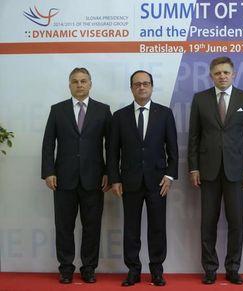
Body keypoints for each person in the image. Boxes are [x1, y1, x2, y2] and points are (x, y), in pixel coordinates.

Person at [188, 56, 243, 285]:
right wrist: (193, 168)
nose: (222, 76)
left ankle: (233, 268)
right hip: (208, 171)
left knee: (236, 222)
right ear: (211, 75)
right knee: (208, 222)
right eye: (217, 73)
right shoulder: (200, 99)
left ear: (233, 74)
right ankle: (209, 269)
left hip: (237, 172)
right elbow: (194, 138)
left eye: (226, 72)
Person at [108, 70, 178, 287]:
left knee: (158, 227)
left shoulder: (164, 114)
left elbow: (173, 150)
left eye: (145, 83)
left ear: (151, 87)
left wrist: (169, 175)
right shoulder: (119, 116)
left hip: (158, 182)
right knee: (131, 228)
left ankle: (157, 270)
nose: (141, 87)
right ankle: (133, 270)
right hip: (129, 181)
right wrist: (115, 179)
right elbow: (112, 152)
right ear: (131, 88)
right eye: (137, 84)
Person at [41, 67, 111, 284]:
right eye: (75, 81)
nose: (79, 85)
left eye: (83, 81)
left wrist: (109, 172)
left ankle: (89, 268)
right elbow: (48, 144)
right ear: (69, 85)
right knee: (64, 226)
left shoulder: (103, 110)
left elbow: (111, 145)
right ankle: (66, 268)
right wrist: (48, 172)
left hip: (94, 178)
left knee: (92, 226)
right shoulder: (57, 110)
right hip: (63, 179)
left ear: (90, 84)